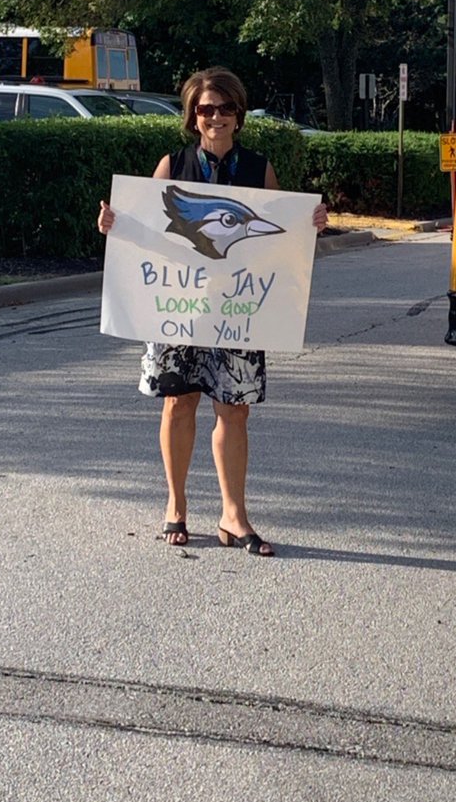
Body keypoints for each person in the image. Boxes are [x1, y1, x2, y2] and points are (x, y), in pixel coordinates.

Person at [98, 65, 328, 557]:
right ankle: (176, 505)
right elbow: (145, 234)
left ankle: (232, 515)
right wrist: (115, 226)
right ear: (192, 117)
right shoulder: (172, 165)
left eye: (226, 108)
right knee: (179, 402)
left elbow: (278, 241)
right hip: (177, 307)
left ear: (239, 115)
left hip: (239, 310)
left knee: (235, 410)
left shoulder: (258, 169)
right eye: (206, 109)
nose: (216, 117)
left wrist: (310, 225)